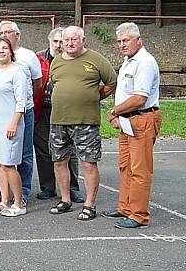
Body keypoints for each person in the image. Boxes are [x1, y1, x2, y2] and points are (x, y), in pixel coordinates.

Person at [48, 26, 117, 221]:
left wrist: (94, 97)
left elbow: (111, 82)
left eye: (74, 40)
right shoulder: (57, 61)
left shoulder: (96, 59)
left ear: (83, 40)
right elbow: (55, 84)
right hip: (59, 120)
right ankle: (65, 199)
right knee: (59, 162)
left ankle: (89, 204)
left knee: (88, 163)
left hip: (86, 121)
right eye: (65, 40)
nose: (69, 44)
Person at [103, 22, 162, 229]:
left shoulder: (145, 62)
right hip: (128, 120)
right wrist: (119, 114)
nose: (121, 44)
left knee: (139, 169)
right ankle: (125, 207)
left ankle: (138, 215)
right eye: (119, 41)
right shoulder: (129, 61)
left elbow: (140, 98)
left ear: (138, 40)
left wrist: (114, 111)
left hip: (142, 118)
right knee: (125, 166)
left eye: (126, 40)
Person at [0, 21, 41, 204]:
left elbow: (37, 83)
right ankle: (2, 196)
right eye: (0, 33)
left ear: (16, 35)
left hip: (20, 113)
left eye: (7, 32)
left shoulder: (27, 57)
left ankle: (22, 195)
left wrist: (18, 115)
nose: (3, 35)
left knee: (22, 156)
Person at [33, 27, 82, 202]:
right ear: (50, 42)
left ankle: (72, 188)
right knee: (43, 150)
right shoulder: (38, 58)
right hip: (43, 109)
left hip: (67, 111)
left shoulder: (74, 59)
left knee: (70, 150)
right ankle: (48, 187)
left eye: (62, 41)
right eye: (56, 41)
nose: (60, 45)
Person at [0, 39, 28, 217]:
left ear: (11, 51)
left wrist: (14, 123)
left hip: (10, 123)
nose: (1, 51)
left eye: (5, 48)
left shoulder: (18, 71)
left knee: (9, 164)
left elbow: (21, 101)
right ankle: (4, 200)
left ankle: (19, 202)